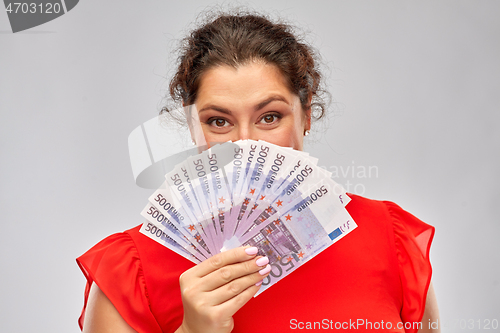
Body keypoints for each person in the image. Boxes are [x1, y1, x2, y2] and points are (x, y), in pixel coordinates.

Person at [77, 10, 440, 333]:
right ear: (192, 128)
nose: (246, 144)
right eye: (219, 121)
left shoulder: (390, 241)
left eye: (270, 117)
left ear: (307, 114)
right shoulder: (130, 273)